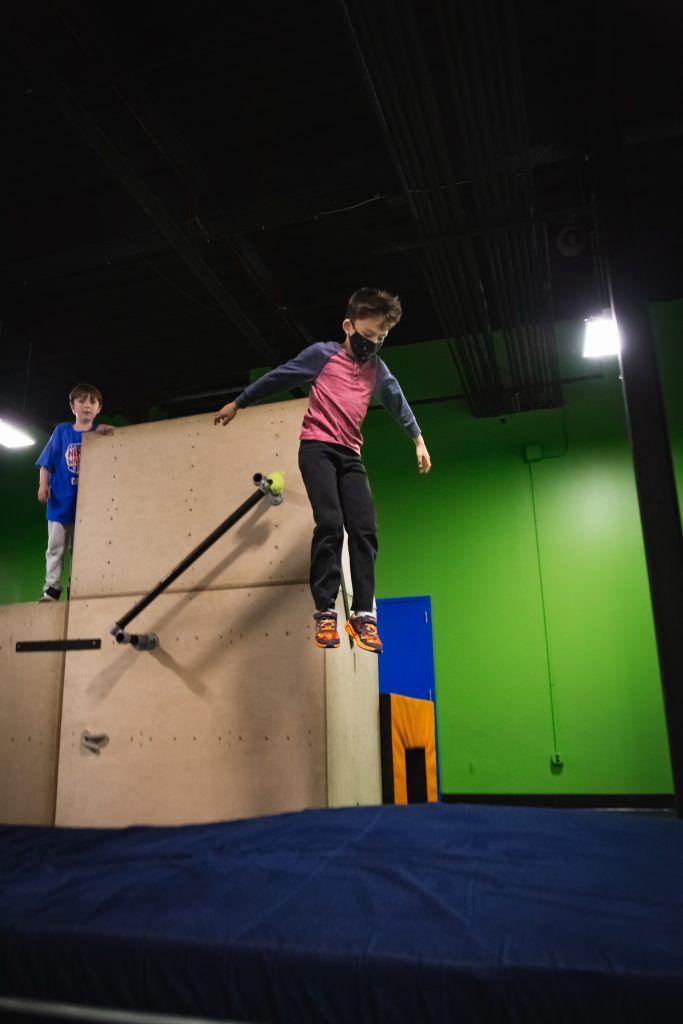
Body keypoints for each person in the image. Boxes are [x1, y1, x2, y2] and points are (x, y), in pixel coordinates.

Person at [214, 288, 431, 653]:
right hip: (317, 448)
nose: (372, 344)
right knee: (330, 523)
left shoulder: (377, 370)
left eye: (380, 338)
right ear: (348, 326)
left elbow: (397, 401)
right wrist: (240, 402)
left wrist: (418, 439)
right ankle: (326, 613)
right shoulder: (323, 355)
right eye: (367, 335)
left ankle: (363, 615)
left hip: (350, 455)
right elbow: (280, 376)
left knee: (364, 529)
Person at [36, 383, 114, 602]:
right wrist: (43, 485)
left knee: (80, 551)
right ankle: (52, 589)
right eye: (81, 401)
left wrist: (104, 432)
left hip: (85, 507)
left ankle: (76, 588)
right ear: (73, 407)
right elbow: (46, 463)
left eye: (92, 402)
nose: (87, 405)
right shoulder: (62, 431)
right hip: (60, 503)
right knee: (55, 548)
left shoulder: (98, 434)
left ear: (98, 408)